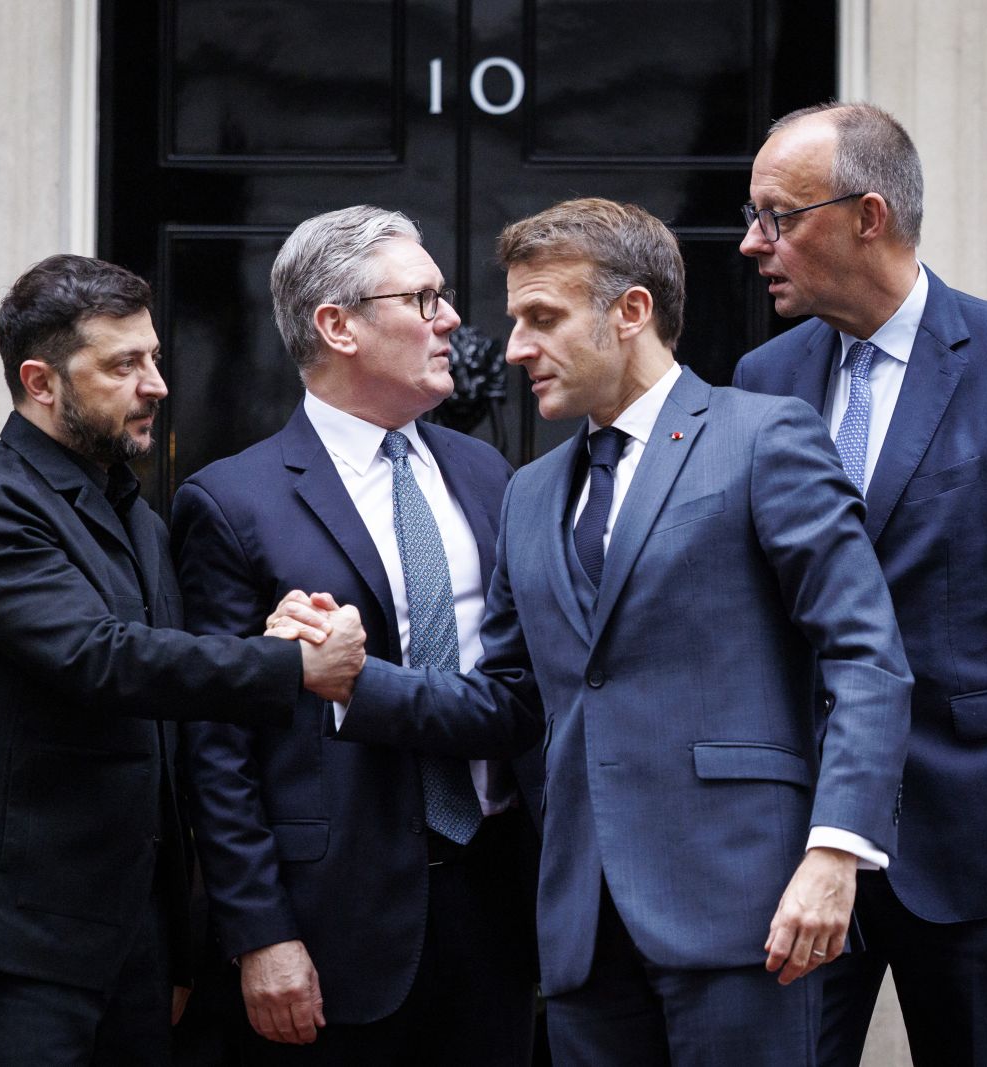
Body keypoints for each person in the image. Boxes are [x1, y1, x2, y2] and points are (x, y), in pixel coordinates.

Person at [279, 198, 913, 1066]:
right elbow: (510, 701)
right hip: (582, 930)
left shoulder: (764, 437)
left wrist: (835, 851)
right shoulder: (529, 493)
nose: (514, 348)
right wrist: (355, 680)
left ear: (631, 311)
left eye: (543, 318)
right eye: (516, 321)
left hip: (750, 911)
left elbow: (866, 656)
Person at [732, 102, 987, 1065]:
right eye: (753, 216)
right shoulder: (759, 380)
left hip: (976, 849)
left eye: (777, 216)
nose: (753, 242)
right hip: (798, 845)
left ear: (867, 217)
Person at [0, 253, 364, 1067]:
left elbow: (165, 702)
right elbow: (102, 659)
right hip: (14, 945)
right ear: (41, 382)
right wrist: (287, 666)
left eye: (152, 357)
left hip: (132, 946)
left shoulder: (137, 518)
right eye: (123, 365)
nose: (155, 384)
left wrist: (176, 943)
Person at [170, 207, 537, 1066]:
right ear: (337, 326)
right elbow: (215, 745)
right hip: (332, 920)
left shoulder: (488, 474)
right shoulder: (233, 501)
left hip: (498, 906)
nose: (452, 320)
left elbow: (523, 683)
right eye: (424, 299)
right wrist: (259, 932)